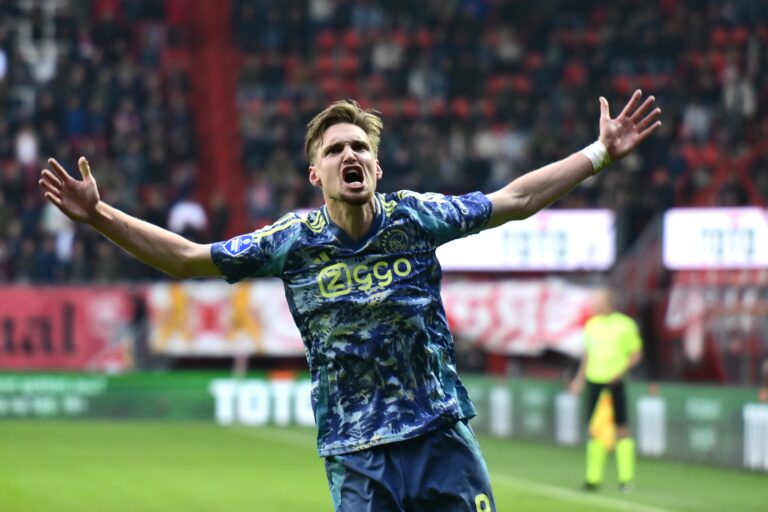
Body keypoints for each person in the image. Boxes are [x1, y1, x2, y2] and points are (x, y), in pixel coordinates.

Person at [39, 91, 660, 511]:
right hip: (357, 455)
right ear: (316, 175)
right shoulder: (294, 240)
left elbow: (515, 199)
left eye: (360, 147)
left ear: (378, 166)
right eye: (335, 150)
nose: (350, 155)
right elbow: (186, 258)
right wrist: (98, 216)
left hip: (442, 436)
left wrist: (599, 152)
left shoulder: (415, 217)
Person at [569, 287, 644, 493]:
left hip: (615, 382)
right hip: (594, 381)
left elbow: (636, 353)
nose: (593, 304)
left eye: (597, 301)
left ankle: (626, 479)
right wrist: (578, 380)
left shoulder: (625, 325)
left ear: (608, 302)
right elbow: (587, 356)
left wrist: (621, 372)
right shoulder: (591, 325)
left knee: (621, 428)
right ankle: (593, 478)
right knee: (594, 429)